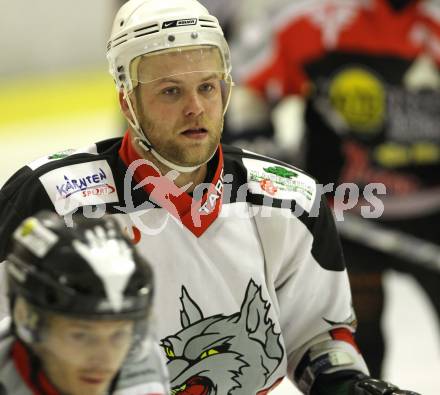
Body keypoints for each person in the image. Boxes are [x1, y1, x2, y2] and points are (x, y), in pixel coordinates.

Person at [0, 0, 420, 393]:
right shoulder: (52, 200)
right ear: (128, 102)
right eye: (170, 91)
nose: (195, 108)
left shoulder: (290, 201)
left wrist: (344, 381)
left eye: (207, 87)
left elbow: (317, 335)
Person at [226, 0, 440, 380]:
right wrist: (256, 140)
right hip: (346, 213)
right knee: (354, 343)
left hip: (433, 210)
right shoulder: (312, 19)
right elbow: (248, 85)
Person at [0, 211, 168, 395]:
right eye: (80, 335)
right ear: (29, 322)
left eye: (119, 335)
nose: (105, 361)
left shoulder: (143, 362)